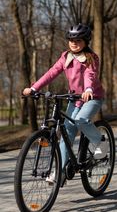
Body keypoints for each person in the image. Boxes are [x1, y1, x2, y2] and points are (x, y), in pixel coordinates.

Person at [22, 24, 107, 183]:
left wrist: (88, 89)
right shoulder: (65, 57)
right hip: (74, 98)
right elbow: (52, 72)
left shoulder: (91, 57)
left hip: (92, 97)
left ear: (86, 41)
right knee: (66, 133)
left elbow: (90, 74)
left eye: (78, 40)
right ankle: (60, 171)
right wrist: (34, 88)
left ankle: (100, 143)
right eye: (71, 40)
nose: (74, 43)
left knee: (81, 121)